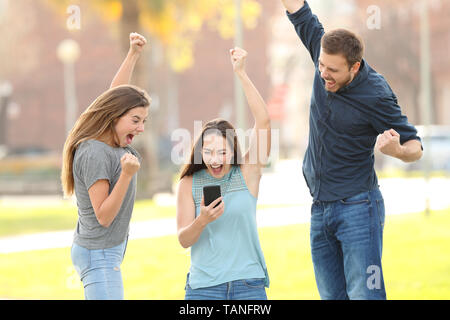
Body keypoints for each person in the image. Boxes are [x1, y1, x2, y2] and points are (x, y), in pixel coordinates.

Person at [280, 0, 423, 300]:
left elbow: (415, 146)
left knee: (365, 295)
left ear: (355, 67)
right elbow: (298, 10)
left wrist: (397, 151)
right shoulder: (323, 52)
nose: (323, 74)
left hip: (358, 208)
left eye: (332, 70)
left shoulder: (376, 94)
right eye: (320, 66)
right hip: (320, 207)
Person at [176, 47, 271, 300]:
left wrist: (241, 73)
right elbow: (184, 240)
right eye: (208, 152)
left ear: (234, 150)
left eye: (222, 152)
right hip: (203, 290)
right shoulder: (189, 183)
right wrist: (202, 220)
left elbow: (263, 121)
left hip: (248, 287)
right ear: (199, 152)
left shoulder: (248, 173)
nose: (215, 159)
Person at [61, 32, 149, 300]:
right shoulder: (95, 153)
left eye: (144, 120)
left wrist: (133, 54)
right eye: (135, 120)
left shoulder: (112, 144)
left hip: (104, 253)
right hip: (98, 255)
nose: (141, 128)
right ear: (114, 117)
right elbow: (104, 216)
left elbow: (115, 95)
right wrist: (125, 175)